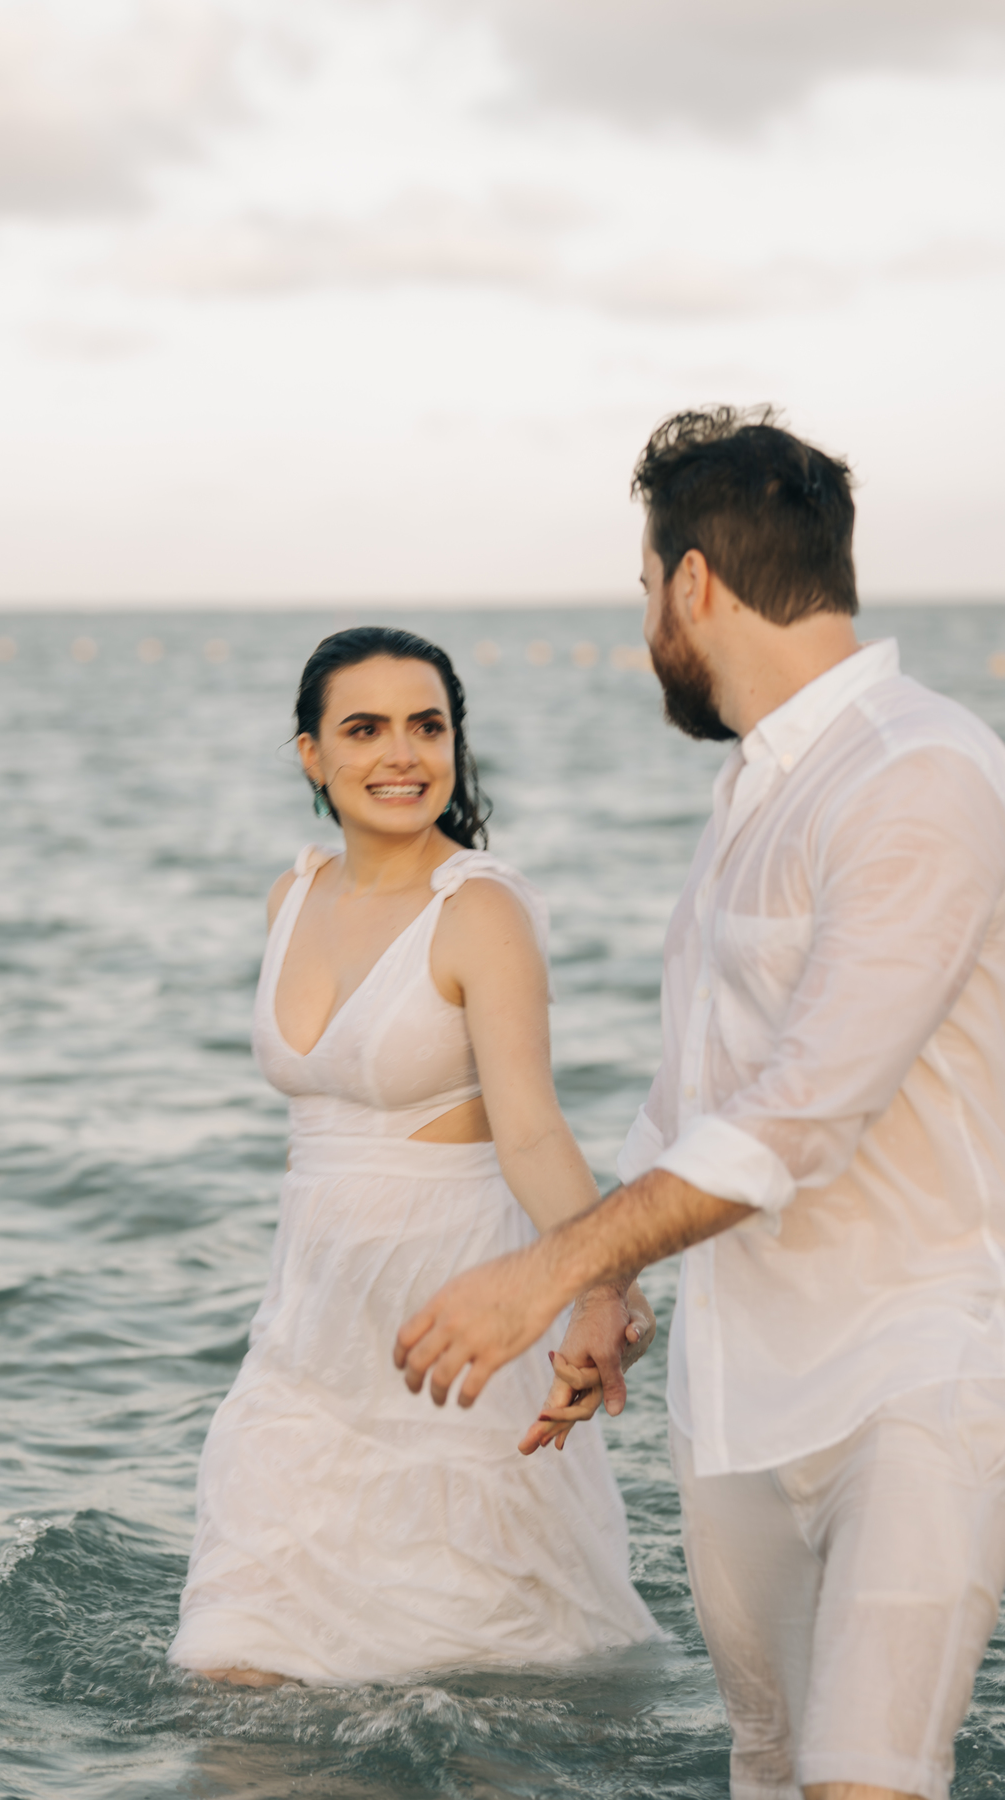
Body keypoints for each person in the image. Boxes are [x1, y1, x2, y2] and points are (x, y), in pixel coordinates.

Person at [395, 409, 1005, 1800]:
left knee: (866, 1779)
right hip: (736, 1396)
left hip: (917, 1375)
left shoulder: (920, 772)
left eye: (643, 592)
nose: (645, 630)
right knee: (770, 1771)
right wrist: (606, 1298)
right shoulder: (753, 788)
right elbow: (693, 1093)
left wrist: (539, 1272)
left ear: (692, 583)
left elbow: (805, 1115)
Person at [169, 625, 661, 1686]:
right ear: (312, 755)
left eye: (427, 727)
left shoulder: (480, 910)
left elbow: (532, 1130)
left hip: (460, 1339)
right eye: (366, 729)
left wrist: (602, 1287)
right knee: (232, 1668)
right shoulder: (291, 895)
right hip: (305, 1346)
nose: (402, 754)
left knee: (485, 1687)